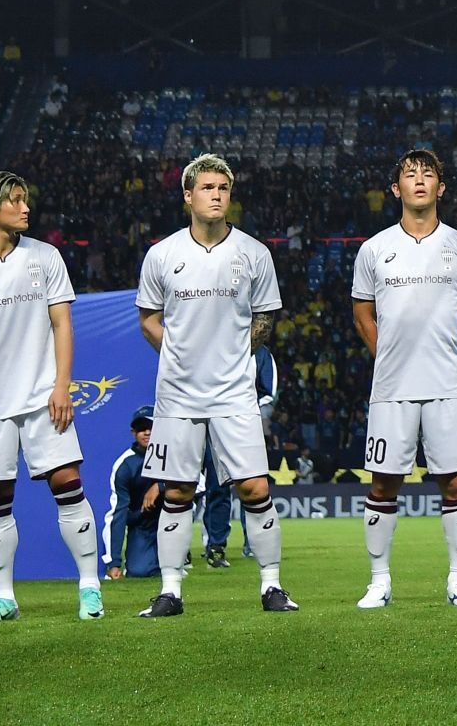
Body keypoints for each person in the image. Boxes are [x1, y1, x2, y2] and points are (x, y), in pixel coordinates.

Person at [0, 172, 102, 622]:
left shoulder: (45, 257)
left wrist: (61, 386)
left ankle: (90, 589)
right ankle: (3, 597)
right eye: (16, 201)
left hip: (43, 398)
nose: (25, 208)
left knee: (68, 486)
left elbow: (63, 325)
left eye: (25, 200)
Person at [133, 153, 294, 617]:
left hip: (233, 393)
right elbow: (148, 318)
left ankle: (271, 587)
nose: (216, 195)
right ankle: (170, 592)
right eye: (207, 188)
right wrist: (179, 355)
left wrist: (236, 358)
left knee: (255, 488)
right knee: (177, 492)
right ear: (188, 196)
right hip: (178, 395)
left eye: (223, 188)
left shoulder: (253, 253)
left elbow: (264, 317)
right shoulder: (163, 255)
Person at [351, 149, 457, 609]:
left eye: (428, 174)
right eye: (410, 175)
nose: (420, 181)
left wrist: (451, 353)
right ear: (396, 189)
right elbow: (362, 312)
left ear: (441, 188)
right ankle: (379, 581)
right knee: (383, 484)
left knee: (455, 484)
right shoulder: (374, 249)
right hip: (391, 388)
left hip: (446, 385)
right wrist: (388, 354)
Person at [103, 405, 161, 581]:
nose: (146, 432)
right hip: (143, 524)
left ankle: (179, 558)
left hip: (171, 518)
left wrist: (160, 485)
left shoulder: (174, 453)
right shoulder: (125, 465)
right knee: (139, 572)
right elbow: (118, 512)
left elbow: (198, 486)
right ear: (133, 433)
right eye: (141, 428)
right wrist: (113, 562)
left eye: (151, 427)